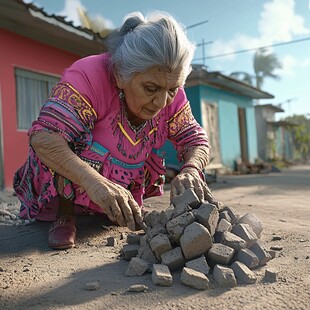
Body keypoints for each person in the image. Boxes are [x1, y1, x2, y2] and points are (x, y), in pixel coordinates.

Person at [13, 11, 218, 250]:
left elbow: (196, 139)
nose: (162, 102)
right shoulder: (89, 75)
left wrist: (191, 170)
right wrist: (96, 184)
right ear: (121, 75)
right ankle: (65, 213)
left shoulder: (170, 90)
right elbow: (45, 137)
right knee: (64, 137)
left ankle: (112, 208)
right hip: (77, 182)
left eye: (172, 89)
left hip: (119, 180)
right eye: (150, 88)